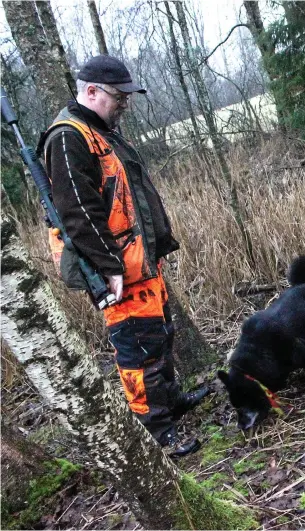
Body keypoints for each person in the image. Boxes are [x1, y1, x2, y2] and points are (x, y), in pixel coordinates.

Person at [38, 55, 209, 458]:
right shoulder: (69, 137)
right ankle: (157, 429)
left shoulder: (100, 130)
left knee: (160, 335)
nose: (125, 104)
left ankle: (168, 402)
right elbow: (77, 211)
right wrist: (108, 267)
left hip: (138, 262)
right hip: (118, 272)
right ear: (91, 91)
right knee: (138, 351)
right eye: (119, 96)